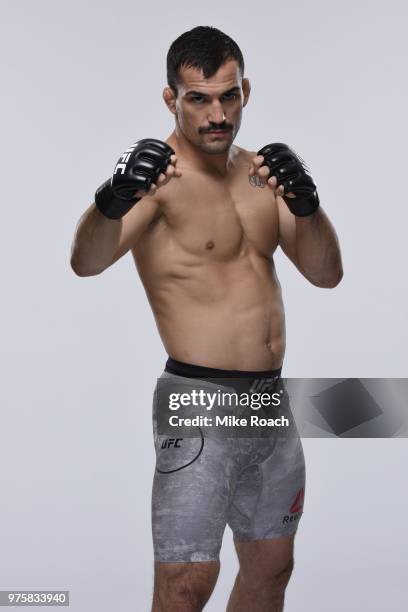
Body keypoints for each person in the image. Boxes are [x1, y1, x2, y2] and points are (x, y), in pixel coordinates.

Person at [70, 26, 343, 612]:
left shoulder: (261, 176)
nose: (217, 114)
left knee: (272, 569)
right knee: (187, 583)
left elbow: (326, 274)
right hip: (197, 400)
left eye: (229, 96)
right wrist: (112, 197)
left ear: (245, 90)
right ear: (172, 99)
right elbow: (85, 262)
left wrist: (308, 205)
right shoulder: (157, 182)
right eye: (199, 99)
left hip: (270, 403)